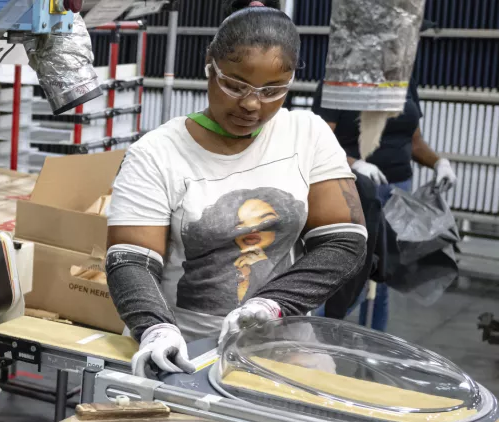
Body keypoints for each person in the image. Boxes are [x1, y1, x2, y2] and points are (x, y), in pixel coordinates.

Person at [105, 0, 368, 378]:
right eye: (234, 84)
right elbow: (131, 259)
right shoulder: (157, 153)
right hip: (184, 351)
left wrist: (273, 304)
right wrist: (155, 328)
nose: (251, 104)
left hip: (284, 345)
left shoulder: (307, 135)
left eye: (273, 91)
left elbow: (343, 242)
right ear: (209, 66)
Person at [312, 80, 456, 331]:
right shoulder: (339, 81)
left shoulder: (404, 82)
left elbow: (415, 141)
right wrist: (354, 163)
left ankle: (373, 351)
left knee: (384, 276)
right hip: (355, 188)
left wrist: (438, 162)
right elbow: (318, 142)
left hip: (398, 190)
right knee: (354, 276)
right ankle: (310, 336)